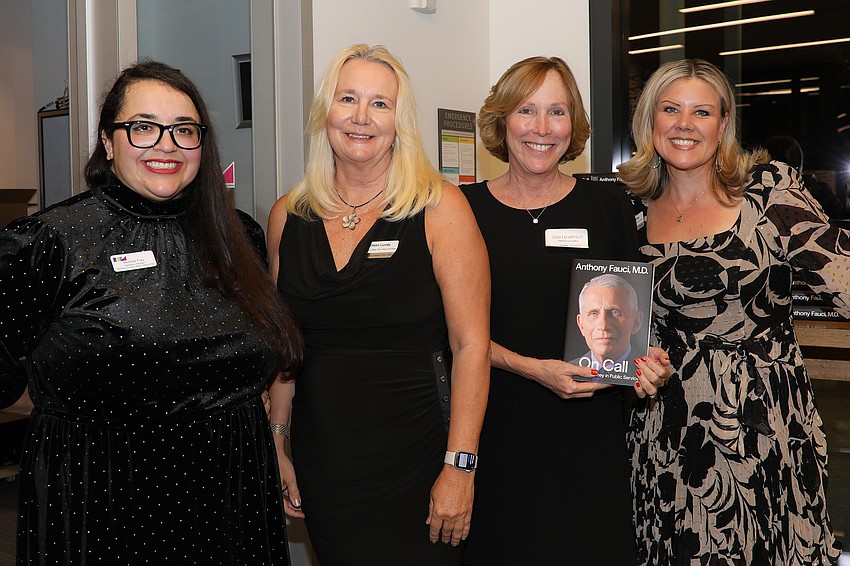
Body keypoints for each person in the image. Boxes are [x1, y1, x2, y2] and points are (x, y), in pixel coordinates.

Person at [0, 60, 303, 564]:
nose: (166, 144)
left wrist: (276, 444)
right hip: (104, 501)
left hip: (231, 493)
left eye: (183, 130)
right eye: (143, 127)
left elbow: (273, 364)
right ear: (108, 139)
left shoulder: (239, 237)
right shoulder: (52, 242)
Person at [619, 58, 850, 565]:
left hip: (762, 420)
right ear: (650, 120)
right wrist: (632, 359)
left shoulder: (767, 192)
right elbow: (617, 322)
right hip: (665, 429)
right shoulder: (627, 211)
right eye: (670, 108)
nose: (684, 124)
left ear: (723, 124)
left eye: (701, 111)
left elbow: (843, 279)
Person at [266, 44, 490, 566]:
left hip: (420, 458)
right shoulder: (288, 216)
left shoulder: (439, 208)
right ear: (327, 113)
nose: (362, 117)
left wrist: (460, 466)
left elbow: (472, 346)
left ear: (399, 121)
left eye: (380, 104)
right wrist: (277, 444)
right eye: (348, 99)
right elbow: (284, 350)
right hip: (326, 459)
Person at [459, 55, 670, 566]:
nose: (541, 128)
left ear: (573, 124)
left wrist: (647, 362)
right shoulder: (462, 210)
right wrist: (532, 369)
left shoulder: (609, 207)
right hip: (495, 432)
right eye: (526, 111)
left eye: (557, 112)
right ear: (501, 120)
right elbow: (448, 333)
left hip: (587, 441)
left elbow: (632, 313)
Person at [570, 273, 644, 370]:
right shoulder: (569, 372)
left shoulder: (649, 372)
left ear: (636, 322)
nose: (603, 326)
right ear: (581, 324)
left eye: (615, 312)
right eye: (593, 313)